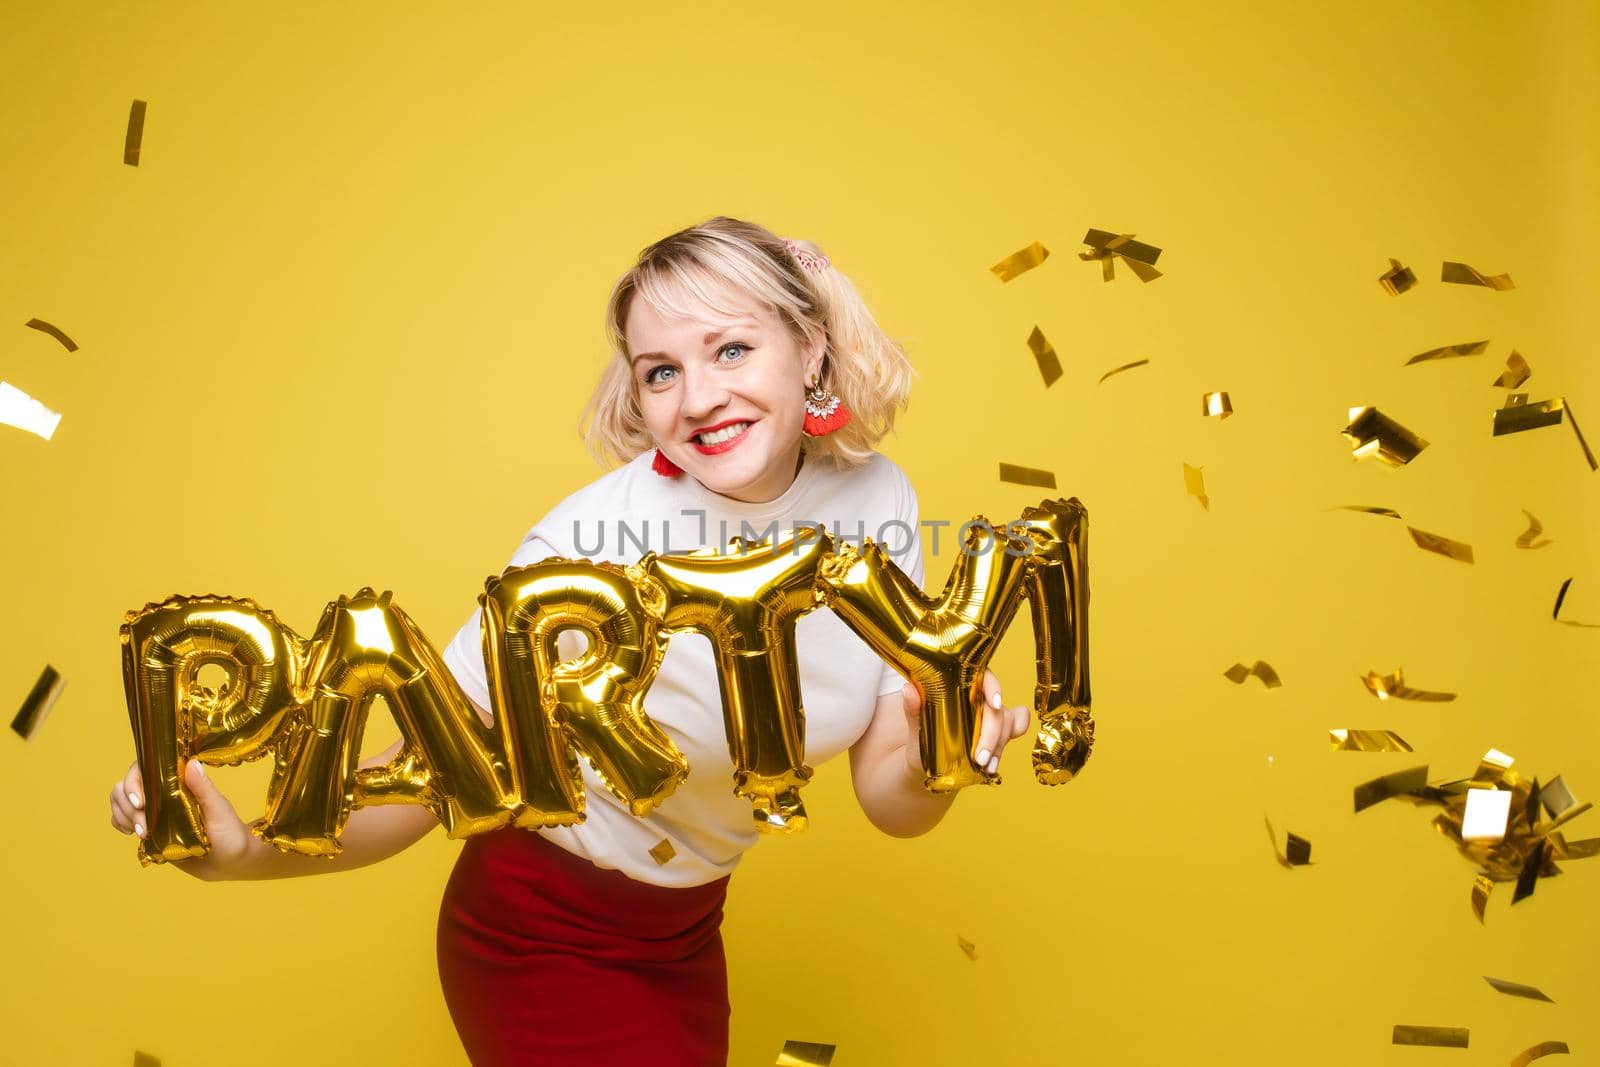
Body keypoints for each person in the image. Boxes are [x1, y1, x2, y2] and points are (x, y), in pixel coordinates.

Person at [108, 216, 1033, 1066]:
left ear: (811, 348)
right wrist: (246, 851)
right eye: (660, 370)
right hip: (537, 932)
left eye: (732, 348)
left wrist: (936, 749)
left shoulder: (882, 502)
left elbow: (890, 798)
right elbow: (434, 772)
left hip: (685, 933)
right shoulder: (590, 543)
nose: (699, 396)